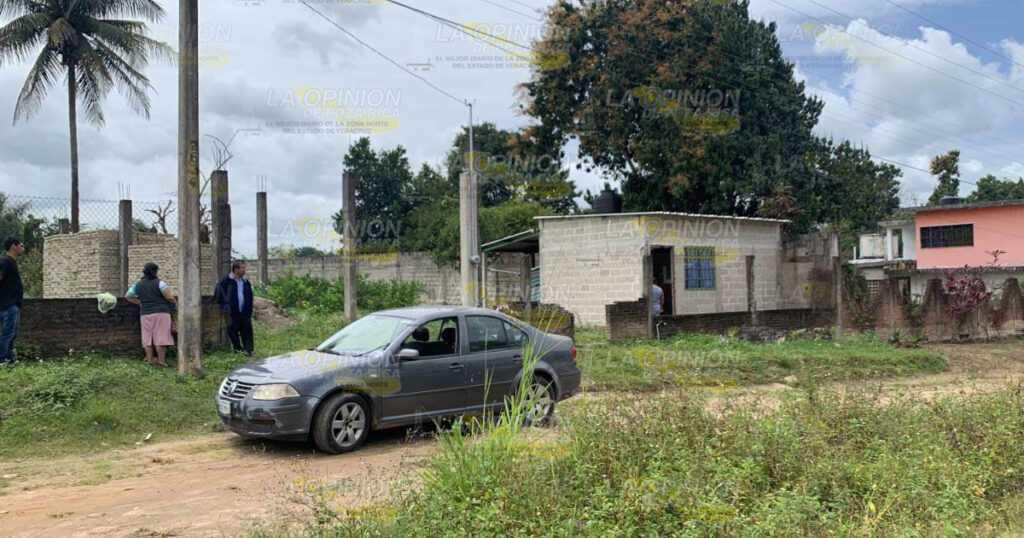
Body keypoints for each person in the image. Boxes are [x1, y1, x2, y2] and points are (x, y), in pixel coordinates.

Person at [124, 262, 177, 366]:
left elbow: (128, 296)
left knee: (147, 337)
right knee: (161, 337)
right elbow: (169, 297)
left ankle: (150, 360)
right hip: (161, 313)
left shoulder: (138, 285)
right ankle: (162, 361)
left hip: (145, 314)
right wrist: (175, 303)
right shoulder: (160, 283)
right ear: (156, 271)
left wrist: (140, 303)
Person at [214, 261, 254, 357]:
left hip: (244, 312)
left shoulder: (245, 282)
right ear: (236, 269)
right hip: (230, 312)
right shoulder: (226, 281)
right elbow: (217, 295)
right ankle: (238, 350)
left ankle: (248, 350)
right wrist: (225, 306)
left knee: (247, 330)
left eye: (244, 268)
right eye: (242, 268)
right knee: (233, 332)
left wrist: (249, 309)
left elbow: (250, 296)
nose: (244, 270)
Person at [0, 237, 25, 365]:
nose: (22, 248)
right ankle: (2, 360)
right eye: (21, 246)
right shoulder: (6, 262)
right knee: (8, 334)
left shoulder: (11, 262)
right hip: (7, 305)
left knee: (12, 334)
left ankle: (9, 360)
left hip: (12, 304)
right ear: (13, 247)